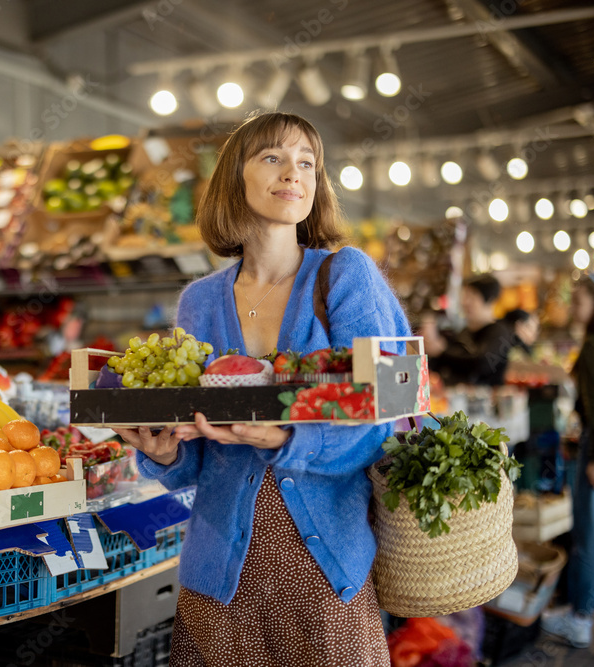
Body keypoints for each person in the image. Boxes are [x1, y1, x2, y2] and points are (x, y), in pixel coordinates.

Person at [113, 112, 411, 666]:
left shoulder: (346, 277)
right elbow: (196, 451)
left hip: (323, 577)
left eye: (307, 163)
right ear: (236, 179)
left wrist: (286, 439)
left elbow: (387, 420)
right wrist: (164, 454)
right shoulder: (200, 302)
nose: (292, 173)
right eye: (272, 157)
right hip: (220, 581)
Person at [542, 275, 594, 648]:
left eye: (579, 302)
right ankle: (582, 608)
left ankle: (581, 617)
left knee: (587, 537)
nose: (573, 309)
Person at [422, 275, 515, 386]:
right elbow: (446, 365)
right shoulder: (464, 331)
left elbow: (481, 364)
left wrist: (441, 352)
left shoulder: (499, 332)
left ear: (490, 299)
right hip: (457, 399)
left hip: (487, 401)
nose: (465, 302)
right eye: (465, 296)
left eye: (472, 296)